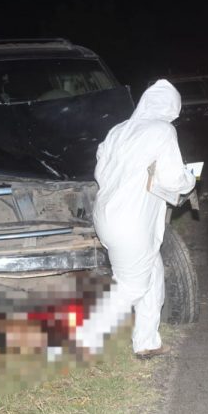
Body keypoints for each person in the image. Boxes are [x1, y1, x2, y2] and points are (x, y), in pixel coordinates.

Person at [75, 79, 196, 359]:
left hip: (107, 215)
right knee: (132, 286)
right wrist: (189, 180)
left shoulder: (119, 130)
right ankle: (78, 339)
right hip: (131, 223)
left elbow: (101, 172)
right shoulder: (163, 130)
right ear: (171, 108)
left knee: (152, 274)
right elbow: (172, 178)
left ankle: (147, 341)